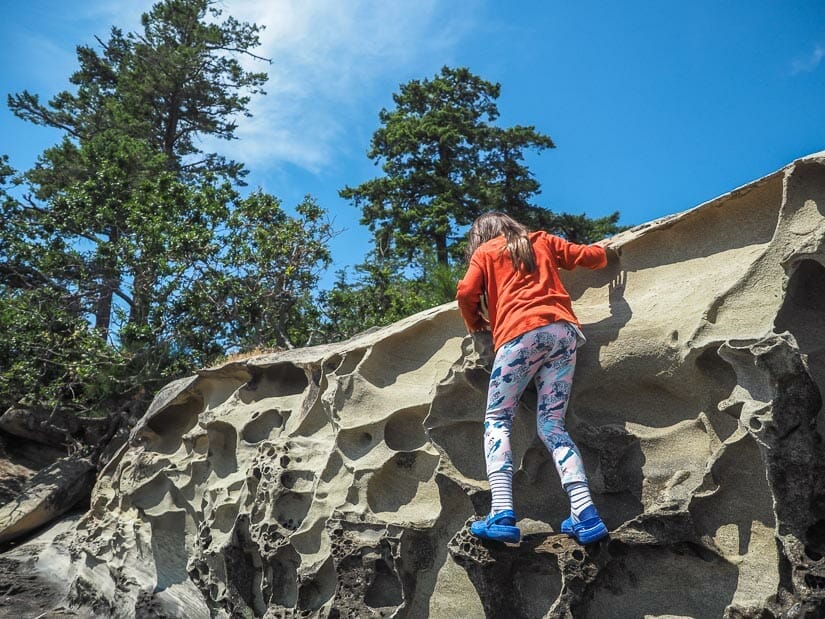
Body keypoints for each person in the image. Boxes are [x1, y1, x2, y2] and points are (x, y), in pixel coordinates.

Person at [455, 211, 611, 545]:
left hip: (519, 338)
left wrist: (476, 324)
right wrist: (607, 254)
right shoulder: (542, 240)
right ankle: (585, 513)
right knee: (552, 426)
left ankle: (501, 511)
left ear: (481, 237)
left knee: (497, 419)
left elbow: (466, 292)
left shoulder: (485, 253)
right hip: (563, 333)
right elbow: (586, 255)